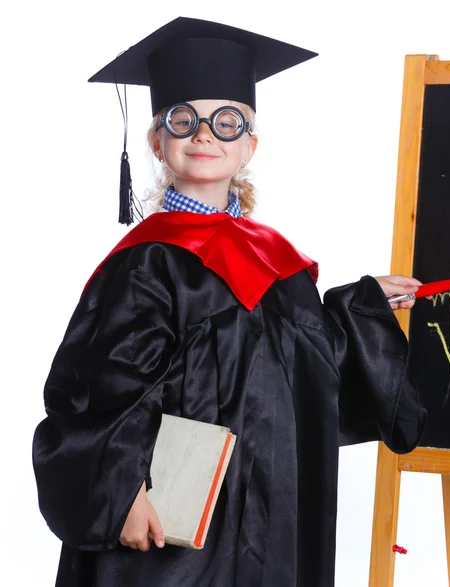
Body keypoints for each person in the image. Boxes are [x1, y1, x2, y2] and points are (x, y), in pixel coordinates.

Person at [32, 16, 427, 587]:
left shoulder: (276, 259)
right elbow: (95, 391)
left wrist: (360, 309)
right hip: (176, 525)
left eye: (227, 122)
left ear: (250, 146)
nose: (205, 135)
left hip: (270, 509)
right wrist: (121, 493)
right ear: (157, 142)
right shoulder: (147, 261)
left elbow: (303, 375)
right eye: (184, 120)